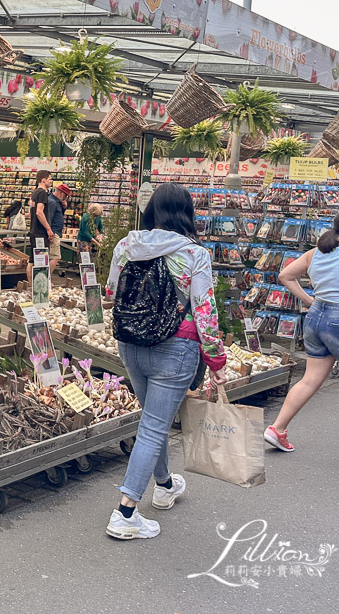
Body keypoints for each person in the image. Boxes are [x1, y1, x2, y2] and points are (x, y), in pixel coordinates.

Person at [104, 183, 226, 540]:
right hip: (176, 348)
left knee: (151, 422)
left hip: (131, 344)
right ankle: (125, 512)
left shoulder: (127, 245)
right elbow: (205, 313)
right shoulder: (195, 254)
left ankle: (165, 485)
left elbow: (110, 293)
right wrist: (216, 362)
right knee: (155, 426)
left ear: (152, 210)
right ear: (186, 213)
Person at [268, 206, 339, 461]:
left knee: (309, 380)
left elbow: (285, 276)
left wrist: (310, 301)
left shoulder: (315, 253)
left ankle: (277, 429)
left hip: (316, 317)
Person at [27, 170, 53, 284]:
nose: (51, 181)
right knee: (41, 261)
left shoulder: (34, 193)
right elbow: (39, 212)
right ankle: (39, 286)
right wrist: (48, 229)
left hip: (33, 231)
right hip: (40, 233)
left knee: (32, 260)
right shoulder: (42, 193)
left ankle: (30, 285)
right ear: (43, 180)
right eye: (49, 179)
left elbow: (31, 211)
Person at [47, 183, 70, 275]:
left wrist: (64, 207)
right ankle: (46, 278)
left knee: (51, 256)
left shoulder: (56, 202)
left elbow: (57, 215)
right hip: (53, 232)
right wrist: (50, 232)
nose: (65, 198)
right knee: (56, 257)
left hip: (55, 231)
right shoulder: (52, 202)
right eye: (65, 195)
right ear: (60, 193)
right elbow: (50, 218)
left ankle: (46, 278)